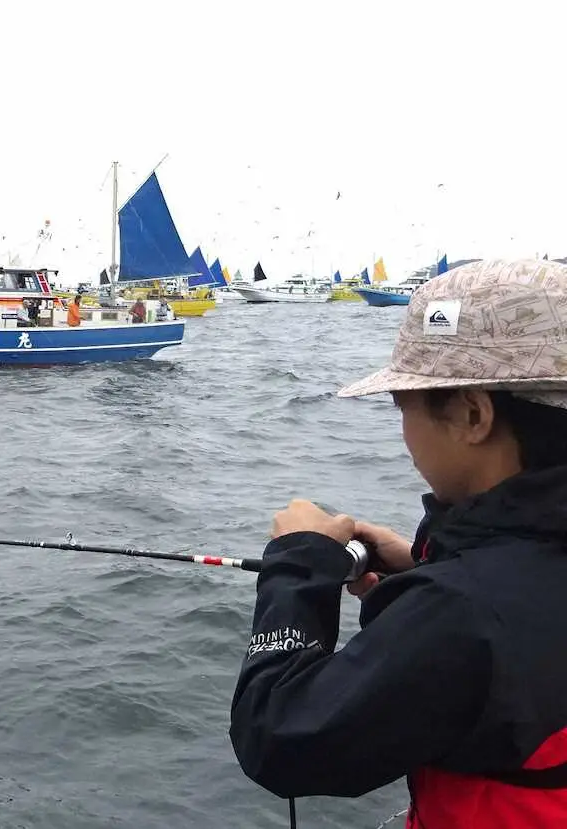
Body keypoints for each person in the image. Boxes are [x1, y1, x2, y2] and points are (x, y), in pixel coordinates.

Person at [229, 260, 567, 827]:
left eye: (404, 405)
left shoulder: (462, 614)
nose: (404, 430)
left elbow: (282, 740)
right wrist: (425, 571)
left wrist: (297, 566)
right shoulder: (474, 600)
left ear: (472, 414)